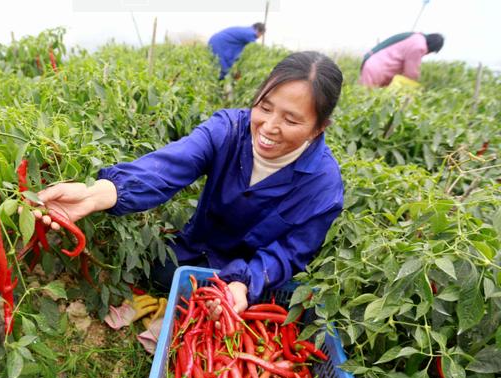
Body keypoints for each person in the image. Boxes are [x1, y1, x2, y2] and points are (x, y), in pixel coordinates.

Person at [32, 51, 344, 314]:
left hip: (252, 279)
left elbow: (291, 251)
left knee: (256, 309)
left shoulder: (322, 185)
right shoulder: (228, 130)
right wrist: (96, 194)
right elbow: (169, 165)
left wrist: (246, 282)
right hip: (198, 249)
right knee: (158, 272)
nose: (270, 126)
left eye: (290, 120)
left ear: (318, 128)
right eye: (264, 107)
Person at [359, 32, 444, 87]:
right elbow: (411, 72)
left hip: (372, 63)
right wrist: (417, 86)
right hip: (377, 68)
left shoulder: (416, 37)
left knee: (366, 96)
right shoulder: (419, 46)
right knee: (365, 99)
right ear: (432, 48)